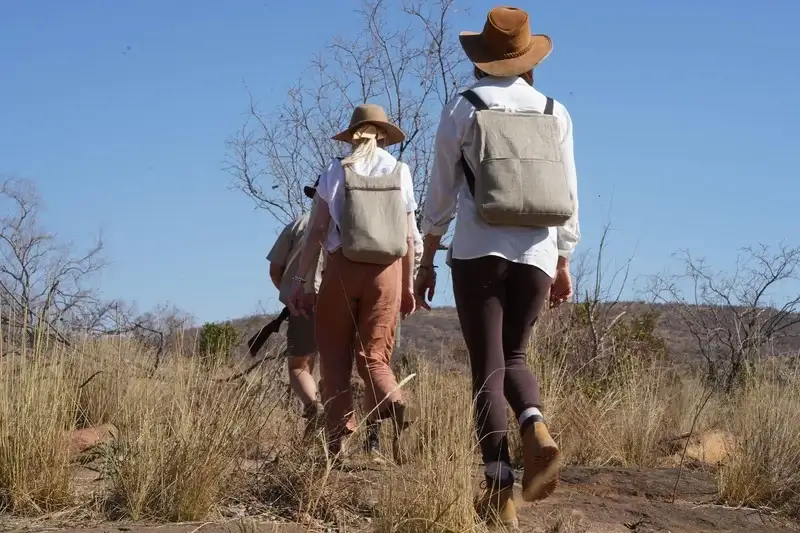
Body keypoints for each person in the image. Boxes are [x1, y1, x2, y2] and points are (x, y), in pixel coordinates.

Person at [415, 6, 580, 529]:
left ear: (483, 58)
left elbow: (441, 190)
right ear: (529, 58)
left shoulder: (463, 106)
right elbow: (569, 195)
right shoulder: (555, 110)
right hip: (537, 253)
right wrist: (563, 257)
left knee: (486, 364)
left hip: (478, 248)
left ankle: (500, 491)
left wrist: (426, 256)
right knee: (515, 354)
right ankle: (535, 425)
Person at [287, 103, 418, 463]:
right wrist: (407, 287)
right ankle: (394, 398)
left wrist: (301, 279)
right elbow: (409, 238)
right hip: (387, 274)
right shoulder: (400, 171)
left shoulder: (336, 170)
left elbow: (316, 231)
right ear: (384, 136)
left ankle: (337, 441)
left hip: (342, 271)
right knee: (374, 358)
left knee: (334, 358)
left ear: (351, 136)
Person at [266, 184, 326, 438]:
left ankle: (314, 408)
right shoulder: (350, 228)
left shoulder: (298, 225)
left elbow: (274, 270)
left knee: (298, 366)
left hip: (303, 304)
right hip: (345, 304)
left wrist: (291, 295)